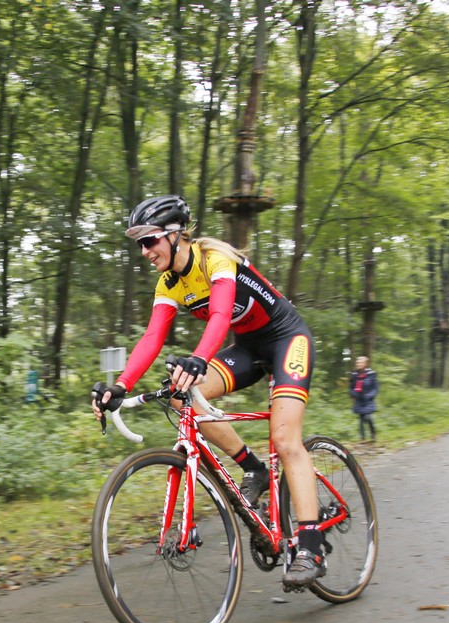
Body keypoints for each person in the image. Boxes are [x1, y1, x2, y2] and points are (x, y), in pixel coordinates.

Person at [91, 195, 327, 586]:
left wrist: (199, 358)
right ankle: (253, 468)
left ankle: (311, 546)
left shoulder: (214, 259)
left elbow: (219, 314)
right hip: (247, 348)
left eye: (149, 240)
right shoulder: (169, 283)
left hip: (287, 339)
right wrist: (120, 385)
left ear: (174, 234)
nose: (144, 251)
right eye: (139, 244)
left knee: (286, 441)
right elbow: (152, 337)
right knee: (183, 395)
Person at [349, 356, 378, 442]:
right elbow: (351, 388)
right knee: (361, 418)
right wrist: (354, 394)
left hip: (368, 400)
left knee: (367, 417)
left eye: (360, 362)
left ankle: (373, 433)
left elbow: (375, 388)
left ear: (365, 364)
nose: (358, 364)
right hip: (359, 400)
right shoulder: (354, 375)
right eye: (357, 362)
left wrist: (369, 396)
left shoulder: (371, 374)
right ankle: (362, 438)